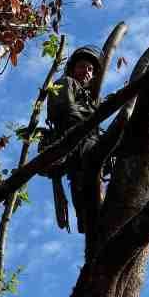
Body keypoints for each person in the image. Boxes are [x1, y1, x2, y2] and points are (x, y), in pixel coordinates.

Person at [45, 45, 104, 233]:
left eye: (90, 69)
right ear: (73, 68)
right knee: (82, 178)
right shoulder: (65, 82)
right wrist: (92, 115)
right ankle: (87, 217)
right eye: (82, 67)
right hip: (74, 142)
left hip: (86, 144)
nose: (86, 72)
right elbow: (67, 111)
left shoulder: (88, 97)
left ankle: (91, 216)